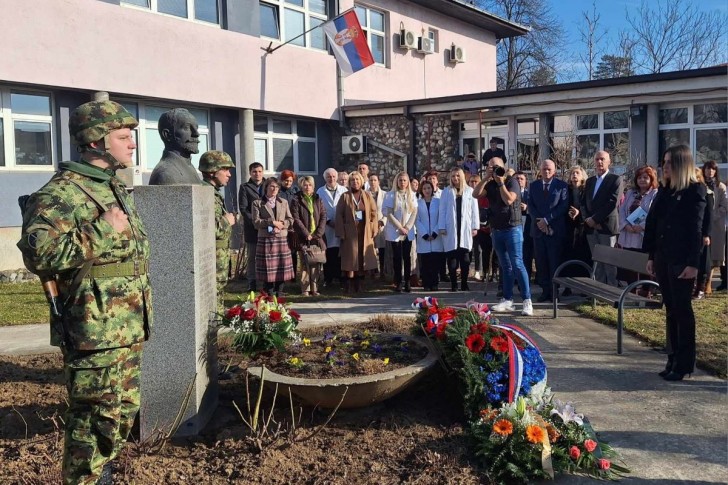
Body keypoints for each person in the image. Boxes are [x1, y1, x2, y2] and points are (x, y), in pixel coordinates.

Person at [17, 100, 153, 484]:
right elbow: (39, 255)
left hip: (124, 327)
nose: (133, 144)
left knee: (119, 416)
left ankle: (101, 477)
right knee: (92, 421)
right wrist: (102, 229)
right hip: (94, 332)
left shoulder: (111, 187)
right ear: (96, 140)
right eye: (123, 137)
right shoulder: (62, 193)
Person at [643, 145, 706, 381]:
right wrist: (651, 256)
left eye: (670, 162)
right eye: (664, 162)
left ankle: (684, 363)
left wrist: (693, 263)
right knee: (670, 309)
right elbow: (654, 223)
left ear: (681, 164)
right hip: (663, 257)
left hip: (682, 260)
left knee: (682, 310)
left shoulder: (695, 191)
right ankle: (672, 358)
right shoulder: (665, 190)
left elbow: (695, 231)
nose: (665, 166)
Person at [473, 157, 533, 315]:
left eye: (497, 167)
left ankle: (527, 300)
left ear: (504, 167)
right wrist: (486, 178)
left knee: (517, 264)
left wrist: (500, 182)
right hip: (497, 230)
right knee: (505, 266)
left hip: (513, 229)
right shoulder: (490, 183)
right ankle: (507, 299)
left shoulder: (511, 181)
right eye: (490, 166)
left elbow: (508, 200)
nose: (494, 169)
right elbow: (475, 194)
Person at [199, 151, 236, 310]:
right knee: (212, 307)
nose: (229, 175)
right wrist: (227, 221)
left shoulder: (213, 193)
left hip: (217, 261)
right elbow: (208, 228)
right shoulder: (205, 194)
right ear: (212, 171)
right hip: (211, 262)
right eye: (225, 170)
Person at [528, 159, 569, 302]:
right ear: (540, 170)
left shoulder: (562, 186)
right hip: (538, 230)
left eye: (549, 169)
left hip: (555, 230)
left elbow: (563, 207)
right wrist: (540, 221)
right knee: (541, 262)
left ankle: (554, 291)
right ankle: (545, 291)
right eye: (544, 169)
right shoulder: (533, 186)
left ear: (554, 171)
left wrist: (547, 220)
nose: (546, 172)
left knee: (554, 261)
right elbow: (531, 206)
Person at [583, 150, 623, 286]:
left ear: (609, 161)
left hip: (606, 227)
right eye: (597, 159)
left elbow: (612, 203)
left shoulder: (615, 179)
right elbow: (584, 202)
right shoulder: (590, 181)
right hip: (591, 228)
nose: (599, 162)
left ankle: (612, 290)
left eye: (602, 159)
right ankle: (598, 290)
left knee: (609, 261)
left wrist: (596, 219)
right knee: (597, 261)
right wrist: (588, 220)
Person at [335, 172, 379, 293]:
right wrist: (341, 231)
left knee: (362, 258)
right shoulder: (345, 196)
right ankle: (349, 284)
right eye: (353, 180)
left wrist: (374, 229)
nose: (355, 182)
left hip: (364, 232)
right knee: (350, 258)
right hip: (349, 233)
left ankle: (360, 283)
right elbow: (339, 215)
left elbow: (374, 214)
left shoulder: (367, 195)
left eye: (357, 180)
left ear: (361, 181)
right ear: (350, 182)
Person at [617, 166, 659, 290]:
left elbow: (655, 214)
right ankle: (631, 289)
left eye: (645, 178)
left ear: (651, 179)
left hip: (643, 236)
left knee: (644, 264)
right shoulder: (630, 193)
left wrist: (641, 226)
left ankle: (646, 290)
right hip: (628, 234)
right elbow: (622, 210)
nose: (642, 180)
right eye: (639, 177)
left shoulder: (655, 194)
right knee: (630, 264)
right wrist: (626, 225)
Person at [438, 168, 479, 292]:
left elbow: (474, 210)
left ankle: (464, 284)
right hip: (451, 228)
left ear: (461, 177)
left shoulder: (470, 191)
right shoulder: (446, 192)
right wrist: (442, 226)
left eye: (457, 176)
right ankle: (454, 285)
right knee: (452, 259)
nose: (455, 178)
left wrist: (475, 226)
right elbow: (442, 210)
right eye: (453, 176)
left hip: (465, 228)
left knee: (465, 259)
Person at [252, 177, 294, 296]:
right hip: (266, 238)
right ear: (266, 188)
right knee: (268, 266)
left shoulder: (283, 202)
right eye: (272, 186)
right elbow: (256, 222)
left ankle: (279, 291)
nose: (275, 189)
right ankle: (269, 291)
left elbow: (290, 219)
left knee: (282, 265)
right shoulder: (257, 203)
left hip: (281, 237)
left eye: (277, 187)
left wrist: (281, 225)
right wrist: (271, 223)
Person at [291, 176, 326, 296]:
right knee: (305, 263)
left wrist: (318, 233)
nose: (307, 187)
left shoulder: (317, 199)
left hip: (316, 237)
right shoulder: (296, 199)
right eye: (305, 185)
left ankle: (315, 288)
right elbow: (295, 218)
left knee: (315, 263)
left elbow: (323, 216)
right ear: (301, 186)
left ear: (313, 186)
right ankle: (305, 289)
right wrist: (306, 233)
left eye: (309, 185)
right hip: (303, 237)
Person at [383, 172, 418, 292]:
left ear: (408, 182)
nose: (402, 183)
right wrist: (400, 227)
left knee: (407, 257)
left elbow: (414, 212)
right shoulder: (390, 195)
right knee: (397, 258)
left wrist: (407, 227)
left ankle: (407, 282)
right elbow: (389, 213)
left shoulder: (412, 195)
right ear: (396, 182)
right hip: (395, 231)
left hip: (407, 231)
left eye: (404, 180)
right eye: (400, 180)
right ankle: (398, 282)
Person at [149, 108, 202, 185]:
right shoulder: (166, 174)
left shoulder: (188, 166)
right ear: (167, 135)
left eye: (196, 128)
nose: (196, 134)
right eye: (186, 128)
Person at [561, 166, 592, 293]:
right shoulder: (566, 190)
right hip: (569, 228)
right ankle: (567, 286)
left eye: (577, 173)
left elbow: (589, 207)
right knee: (568, 257)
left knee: (583, 257)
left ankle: (584, 287)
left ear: (582, 176)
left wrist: (580, 213)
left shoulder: (586, 190)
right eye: (572, 173)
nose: (574, 175)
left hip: (583, 229)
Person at [238, 162, 265, 292]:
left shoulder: (268, 184)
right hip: (252, 228)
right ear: (250, 173)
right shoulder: (244, 187)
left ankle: (266, 282)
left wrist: (266, 223)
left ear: (263, 172)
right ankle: (252, 282)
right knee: (252, 257)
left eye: (259, 171)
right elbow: (243, 208)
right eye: (254, 172)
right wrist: (255, 222)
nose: (257, 174)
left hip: (267, 227)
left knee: (267, 256)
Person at [317, 168, 347, 288]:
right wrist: (328, 221)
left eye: (334, 176)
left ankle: (340, 277)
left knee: (340, 253)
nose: (332, 179)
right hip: (327, 226)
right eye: (329, 177)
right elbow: (319, 209)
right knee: (329, 253)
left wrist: (341, 222)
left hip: (341, 225)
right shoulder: (320, 191)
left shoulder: (344, 190)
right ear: (325, 178)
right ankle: (328, 278)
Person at [702, 160, 727, 294]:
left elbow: (724, 206)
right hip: (700, 224)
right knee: (701, 253)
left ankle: (708, 284)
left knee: (712, 257)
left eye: (712, 169)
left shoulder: (720, 186)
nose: (710, 171)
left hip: (716, 226)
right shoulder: (699, 184)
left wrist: (712, 216)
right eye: (707, 169)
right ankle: (700, 283)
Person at [416, 180, 444, 291]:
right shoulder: (418, 203)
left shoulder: (438, 202)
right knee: (425, 263)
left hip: (436, 237)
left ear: (432, 189)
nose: (427, 190)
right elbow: (416, 220)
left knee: (435, 262)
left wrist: (435, 232)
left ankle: (435, 283)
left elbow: (441, 217)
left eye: (429, 188)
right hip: (424, 238)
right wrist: (424, 234)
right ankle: (426, 284)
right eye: (424, 188)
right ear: (421, 190)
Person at [693, 168, 713, 300]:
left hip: (701, 233)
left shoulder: (706, 192)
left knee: (702, 260)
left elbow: (709, 215)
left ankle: (701, 287)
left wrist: (706, 234)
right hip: (690, 232)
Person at [279, 169, 301, 280]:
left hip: (293, 225)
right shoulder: (279, 192)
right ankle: (283, 274)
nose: (288, 183)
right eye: (286, 181)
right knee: (283, 250)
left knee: (293, 250)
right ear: (282, 180)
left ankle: (293, 276)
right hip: (282, 224)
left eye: (290, 181)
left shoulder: (295, 191)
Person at [515, 171, 533, 281]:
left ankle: (527, 277)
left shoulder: (529, 194)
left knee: (527, 254)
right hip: (514, 227)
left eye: (521, 178)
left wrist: (527, 207)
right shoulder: (510, 193)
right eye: (517, 178)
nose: (519, 181)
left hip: (527, 226)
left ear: (525, 181)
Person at [368, 173, 388, 277]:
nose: (373, 182)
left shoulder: (385, 194)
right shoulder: (365, 194)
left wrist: (382, 221)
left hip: (381, 225)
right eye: (371, 180)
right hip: (369, 225)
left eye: (375, 180)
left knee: (382, 248)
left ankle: (383, 271)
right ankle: (372, 270)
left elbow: (388, 211)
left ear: (378, 182)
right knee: (370, 248)